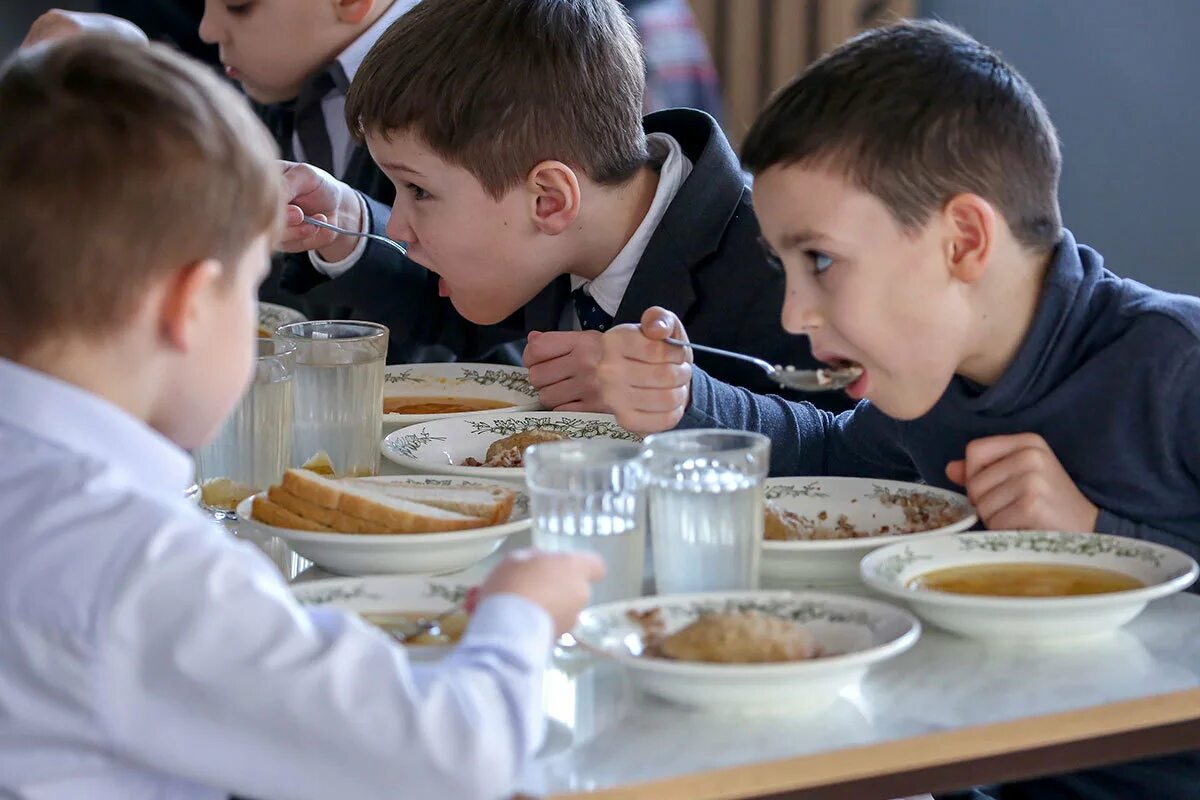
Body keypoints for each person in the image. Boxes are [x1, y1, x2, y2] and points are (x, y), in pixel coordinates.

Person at [592, 20, 1200, 799]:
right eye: (783, 267)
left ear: (963, 242)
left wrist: (1099, 543)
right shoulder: (933, 378)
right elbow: (832, 458)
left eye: (820, 261)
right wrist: (686, 397)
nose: (794, 315)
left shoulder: (1173, 365)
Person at [0, 36, 602, 800]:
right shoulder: (136, 568)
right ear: (189, 306)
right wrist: (521, 614)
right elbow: (449, 758)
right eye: (250, 289)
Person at [281, 0, 849, 412]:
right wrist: (345, 224)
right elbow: (449, 316)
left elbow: (860, 441)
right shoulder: (554, 231)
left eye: (419, 191)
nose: (399, 224)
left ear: (549, 200)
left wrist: (677, 399)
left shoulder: (778, 265)